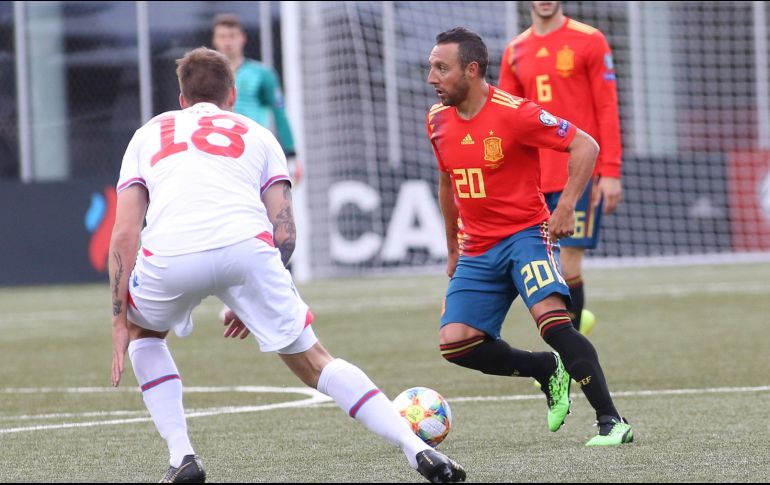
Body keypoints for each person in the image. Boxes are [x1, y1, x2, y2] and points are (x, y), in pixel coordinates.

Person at [109, 47, 466, 484]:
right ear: (233, 95)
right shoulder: (258, 134)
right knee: (317, 361)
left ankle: (182, 456)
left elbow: (125, 233)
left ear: (182, 99)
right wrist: (250, 296)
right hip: (247, 249)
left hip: (170, 253)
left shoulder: (148, 133)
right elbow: (285, 234)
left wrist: (118, 320)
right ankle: (417, 449)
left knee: (145, 334)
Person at [426, 27, 633, 446]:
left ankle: (612, 421)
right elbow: (447, 184)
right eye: (431, 67)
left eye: (441, 68)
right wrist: (453, 247)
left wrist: (565, 206)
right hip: (478, 247)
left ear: (472, 70)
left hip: (525, 236)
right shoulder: (437, 120)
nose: (432, 77)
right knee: (456, 344)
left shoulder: (516, 112)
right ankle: (545, 370)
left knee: (555, 323)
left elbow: (586, 146)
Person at [498, 1, 623, 335]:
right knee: (542, 271)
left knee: (568, 266)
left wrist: (610, 170)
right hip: (533, 178)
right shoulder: (514, 51)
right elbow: (506, 120)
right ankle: (572, 334)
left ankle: (574, 358)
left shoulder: (590, 40)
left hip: (578, 175)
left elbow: (606, 107)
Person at [212, 13, 302, 184]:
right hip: (218, 154)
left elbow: (279, 113)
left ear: (242, 39)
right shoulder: (207, 76)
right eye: (222, 37)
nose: (227, 42)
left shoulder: (262, 74)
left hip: (253, 152)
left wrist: (291, 153)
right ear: (215, 40)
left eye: (232, 36)